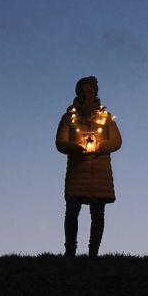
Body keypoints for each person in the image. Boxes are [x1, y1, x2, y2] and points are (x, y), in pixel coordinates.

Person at [55, 76, 122, 257]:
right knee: (72, 212)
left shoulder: (105, 117)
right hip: (77, 171)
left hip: (100, 174)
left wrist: (101, 147)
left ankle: (93, 253)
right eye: (83, 91)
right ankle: (70, 251)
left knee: (98, 214)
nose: (87, 94)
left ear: (95, 92)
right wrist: (75, 148)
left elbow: (117, 141)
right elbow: (60, 142)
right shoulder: (69, 117)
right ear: (79, 93)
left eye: (90, 91)